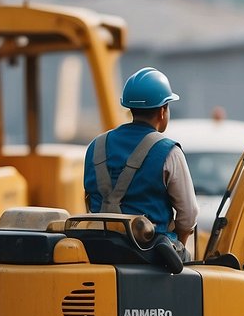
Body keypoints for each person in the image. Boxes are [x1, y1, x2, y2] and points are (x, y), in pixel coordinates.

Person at [84, 66, 198, 260]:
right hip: (152, 255)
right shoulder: (169, 152)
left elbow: (89, 198)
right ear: (163, 111)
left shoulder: (96, 146)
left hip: (99, 251)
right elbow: (188, 215)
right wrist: (178, 246)